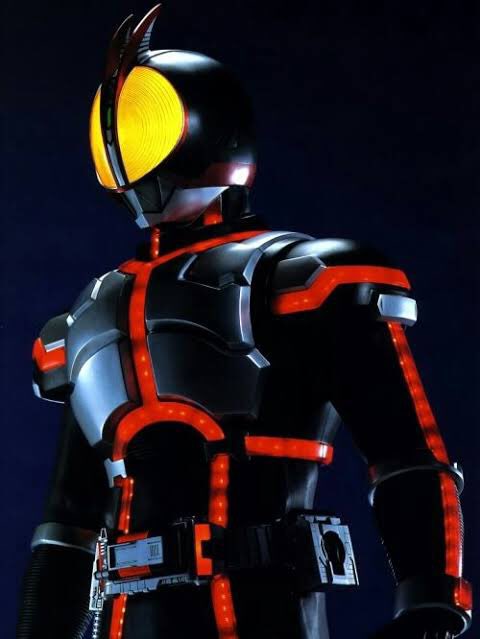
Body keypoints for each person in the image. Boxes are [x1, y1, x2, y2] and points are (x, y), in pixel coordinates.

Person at [17, 6, 472, 638]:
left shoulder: (303, 279)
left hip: (261, 615)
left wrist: (430, 602)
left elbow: (407, 458)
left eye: (149, 118)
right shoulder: (92, 315)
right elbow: (67, 526)